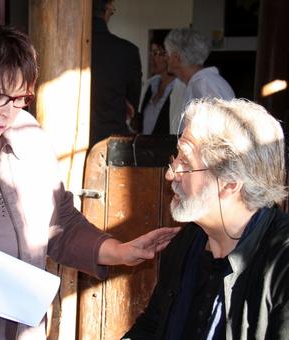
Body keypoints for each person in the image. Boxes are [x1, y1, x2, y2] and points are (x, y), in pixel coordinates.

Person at [0, 22, 179, 340]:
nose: (9, 114)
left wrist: (119, 251)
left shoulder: (26, 136)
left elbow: (58, 222)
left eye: (21, 98)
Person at [123, 98, 289, 339]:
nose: (171, 174)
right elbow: (152, 326)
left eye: (186, 163)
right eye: (175, 157)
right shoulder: (187, 243)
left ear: (230, 183)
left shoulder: (281, 264)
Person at [90, 0, 142, 147]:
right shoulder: (127, 51)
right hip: (112, 143)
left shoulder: (64, 48)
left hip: (65, 138)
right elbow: (132, 107)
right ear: (107, 9)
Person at [164, 28, 235, 132]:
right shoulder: (197, 83)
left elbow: (220, 133)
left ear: (176, 57)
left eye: (167, 53)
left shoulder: (204, 85)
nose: (166, 58)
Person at [131, 30, 176, 135]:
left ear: (169, 55)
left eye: (156, 53)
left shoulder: (179, 89)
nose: (152, 57)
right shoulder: (151, 86)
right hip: (145, 150)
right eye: (151, 52)